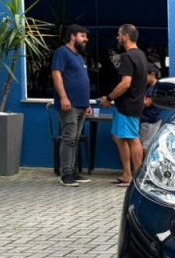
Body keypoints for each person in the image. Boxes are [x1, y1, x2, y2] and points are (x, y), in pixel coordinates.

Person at [99, 24, 147, 187]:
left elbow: (125, 83)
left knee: (133, 139)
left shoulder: (128, 56)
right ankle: (127, 174)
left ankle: (137, 179)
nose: (117, 38)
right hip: (131, 104)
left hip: (128, 105)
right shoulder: (141, 55)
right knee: (118, 137)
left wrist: (109, 98)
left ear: (125, 37)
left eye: (119, 35)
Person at [51, 24, 93, 187]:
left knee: (75, 139)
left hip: (81, 105)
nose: (86, 39)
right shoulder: (62, 52)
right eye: (82, 36)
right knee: (69, 138)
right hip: (69, 105)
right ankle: (66, 174)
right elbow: (56, 74)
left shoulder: (80, 57)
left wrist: (87, 103)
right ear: (73, 36)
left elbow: (82, 81)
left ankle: (73, 171)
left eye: (86, 36)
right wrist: (63, 98)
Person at [139, 63, 161, 157]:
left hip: (149, 120)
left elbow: (147, 103)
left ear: (152, 74)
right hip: (152, 118)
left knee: (145, 145)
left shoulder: (153, 88)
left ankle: (146, 163)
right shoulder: (155, 86)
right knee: (146, 143)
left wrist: (138, 99)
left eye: (145, 76)